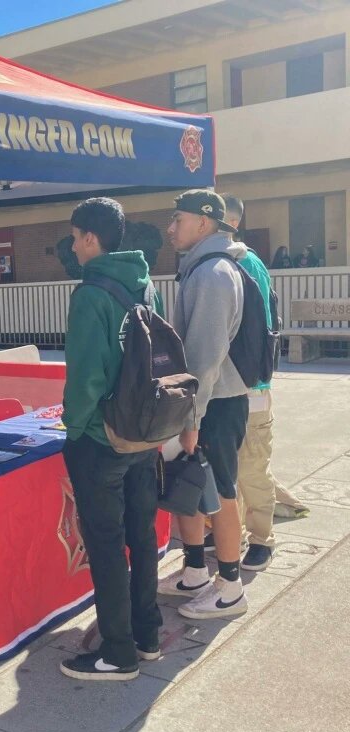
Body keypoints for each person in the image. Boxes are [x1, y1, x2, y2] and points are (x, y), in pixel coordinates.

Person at [59, 197, 162, 682]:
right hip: (145, 432)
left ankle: (117, 652)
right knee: (141, 537)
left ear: (91, 239)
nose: (73, 245)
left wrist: (73, 429)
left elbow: (85, 379)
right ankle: (146, 635)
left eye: (76, 236)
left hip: (103, 440)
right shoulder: (146, 286)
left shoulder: (90, 295)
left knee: (104, 543)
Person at [157, 190, 250, 619]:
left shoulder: (213, 273)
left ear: (205, 222)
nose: (171, 228)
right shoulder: (199, 268)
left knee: (220, 492)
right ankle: (195, 570)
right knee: (189, 485)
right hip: (201, 401)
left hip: (216, 402)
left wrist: (190, 419)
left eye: (178, 219)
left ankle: (230, 587)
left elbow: (207, 356)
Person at [222, 194, 277, 570]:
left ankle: (262, 538)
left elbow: (257, 329)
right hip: (228, 387)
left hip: (251, 387)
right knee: (231, 465)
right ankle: (235, 531)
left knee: (253, 465)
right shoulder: (216, 262)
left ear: (234, 223)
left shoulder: (247, 263)